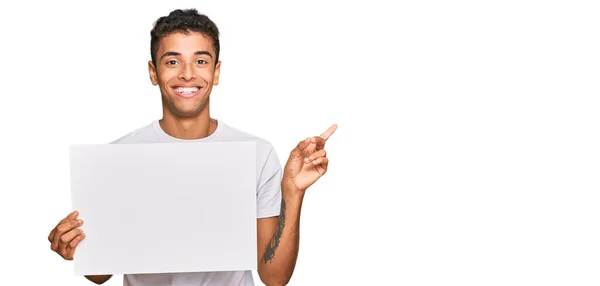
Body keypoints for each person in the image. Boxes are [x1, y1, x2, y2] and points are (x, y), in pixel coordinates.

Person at [47, 8, 336, 286]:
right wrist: (75, 245)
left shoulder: (256, 154)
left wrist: (292, 192)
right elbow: (100, 274)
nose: (187, 74)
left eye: (200, 61)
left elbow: (274, 278)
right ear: (152, 72)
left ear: (216, 71)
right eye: (172, 61)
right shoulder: (117, 157)